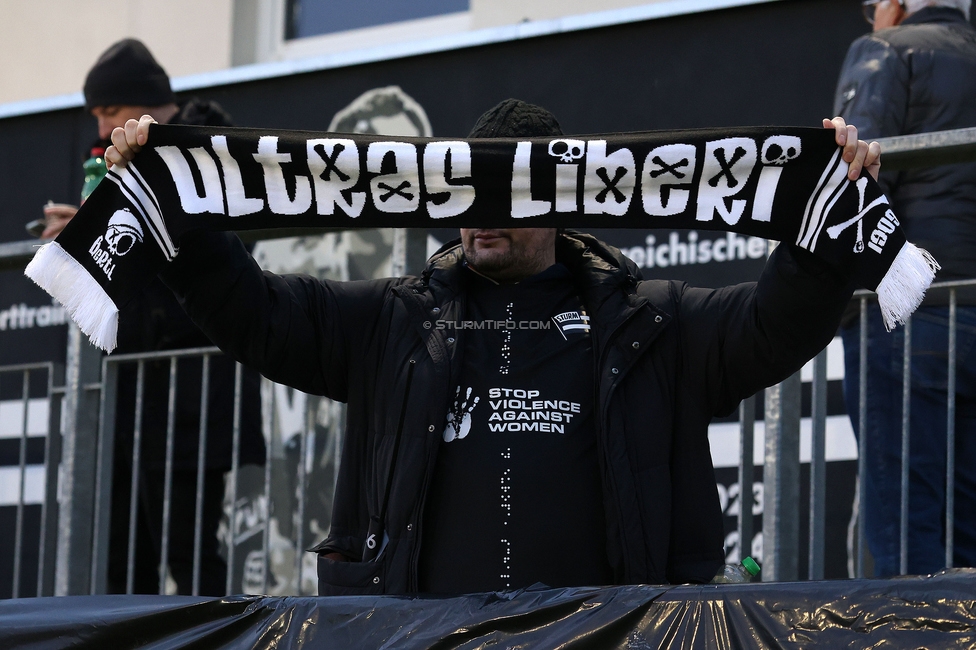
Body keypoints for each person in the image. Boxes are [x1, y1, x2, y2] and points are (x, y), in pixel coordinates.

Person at [104, 100, 878, 595]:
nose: (481, 211)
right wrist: (178, 211)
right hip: (424, 635)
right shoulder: (391, 321)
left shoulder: (653, 322)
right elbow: (256, 314)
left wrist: (827, 212)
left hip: (607, 634)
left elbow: (775, 324)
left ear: (559, 200)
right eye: (465, 188)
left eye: (505, 191)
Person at [45, 38, 266, 595]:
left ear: (145, 100)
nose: (101, 125)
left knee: (189, 556)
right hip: (133, 393)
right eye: (95, 114)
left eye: (109, 109)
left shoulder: (207, 147)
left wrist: (107, 224)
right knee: (123, 563)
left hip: (191, 391)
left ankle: (213, 633)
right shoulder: (114, 158)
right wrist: (84, 236)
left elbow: (208, 251)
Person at [834, 0, 976, 576]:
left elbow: (849, 181)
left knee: (904, 537)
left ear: (893, 5)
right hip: (968, 309)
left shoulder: (885, 50)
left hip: (907, 315)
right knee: (969, 543)